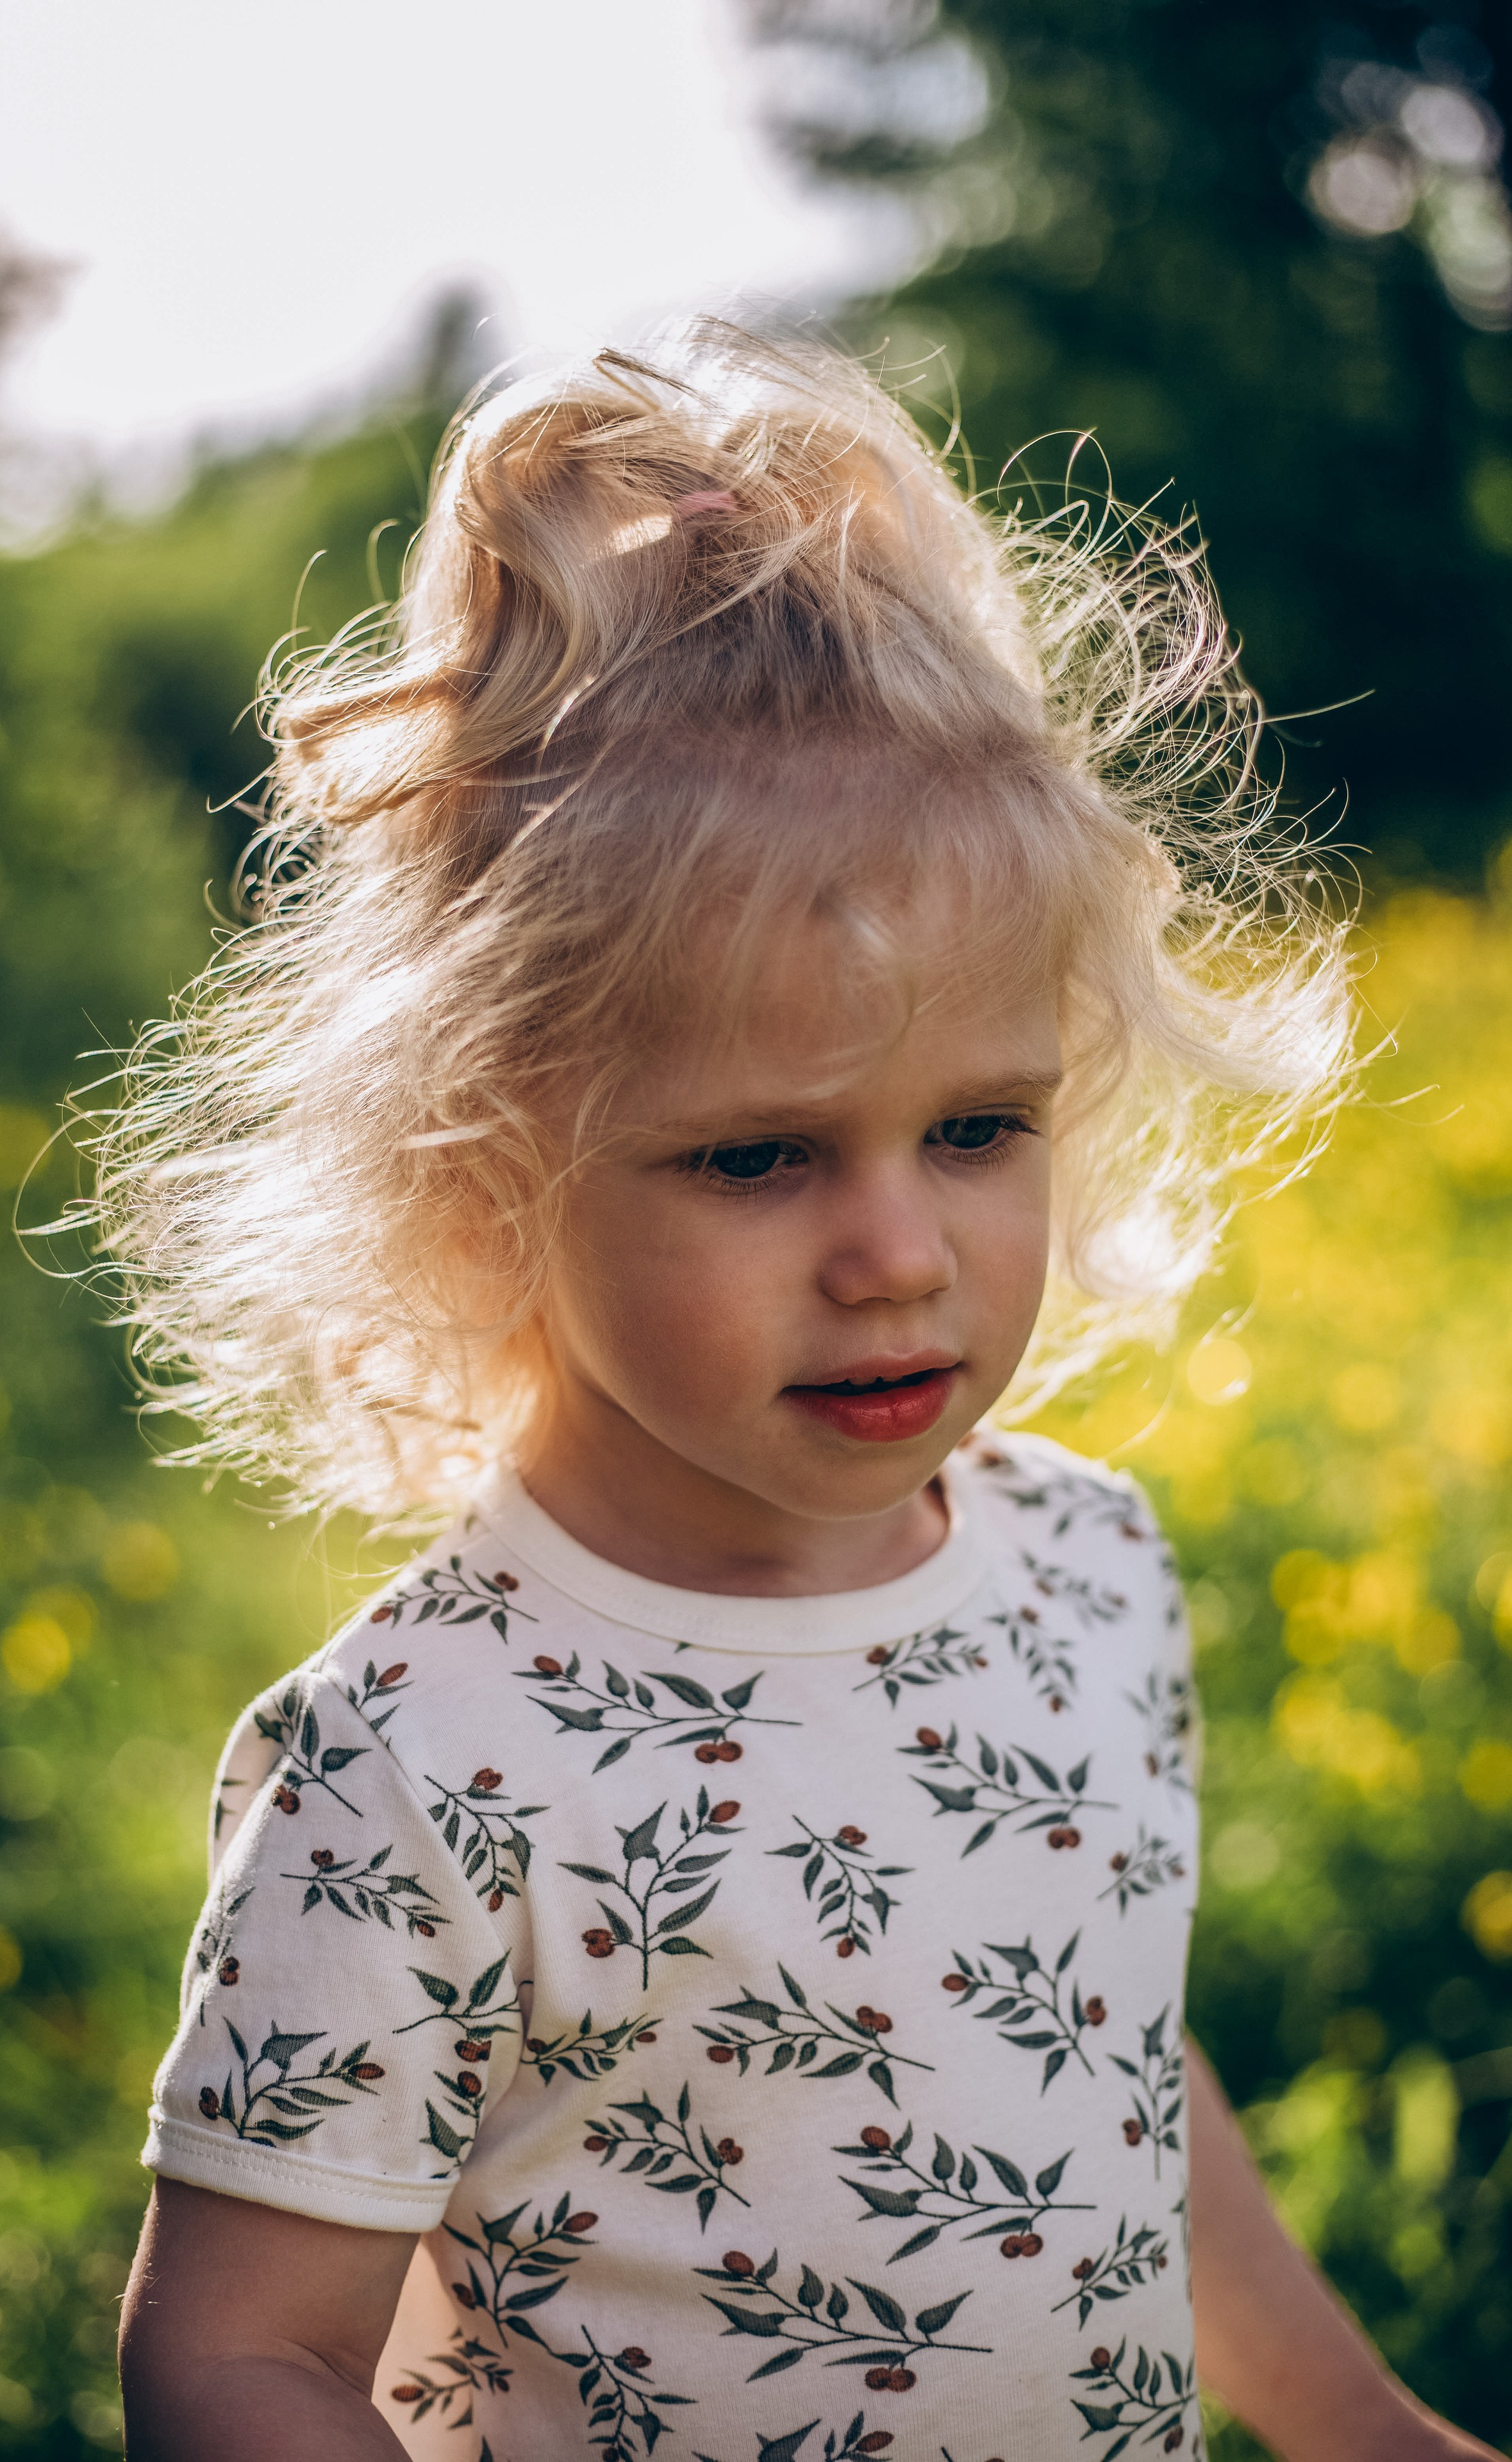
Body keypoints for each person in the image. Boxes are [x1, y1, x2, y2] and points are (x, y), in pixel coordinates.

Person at [106, 323, 1492, 2461]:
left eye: (978, 1129)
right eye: (758, 1156)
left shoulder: (1090, 1576)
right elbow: (239, 2354)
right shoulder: (419, 1768)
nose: (898, 1254)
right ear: (490, 1172)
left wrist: (1359, 2427)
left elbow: (1107, 2068)